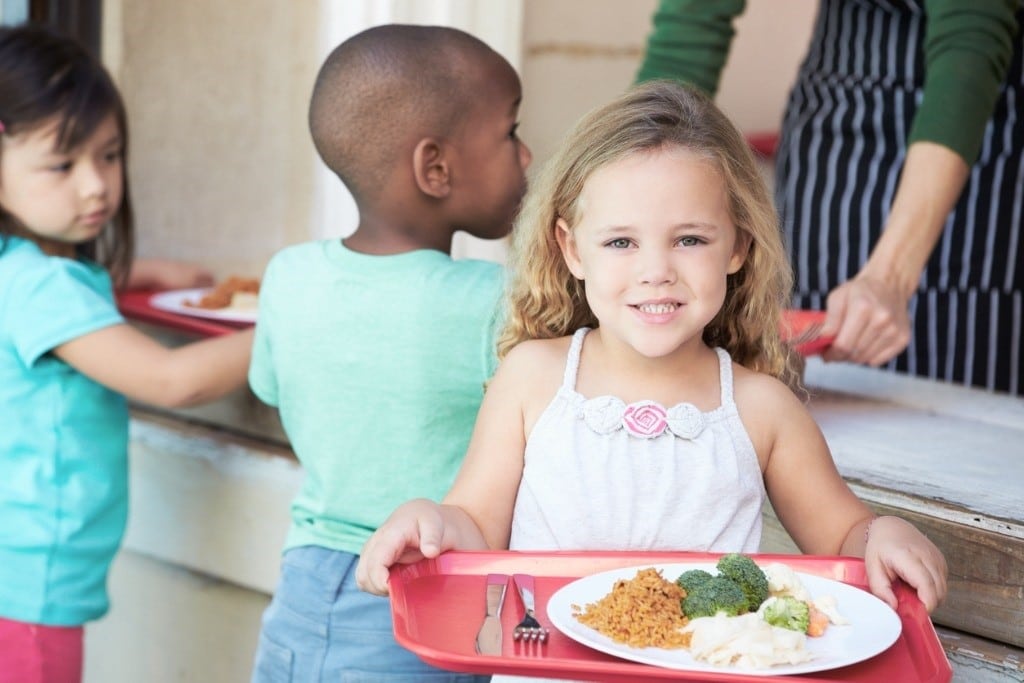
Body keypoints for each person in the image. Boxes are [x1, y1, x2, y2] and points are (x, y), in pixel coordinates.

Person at [356, 80, 947, 681]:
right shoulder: (533, 378)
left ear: (738, 247)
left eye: (690, 239)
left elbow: (843, 532)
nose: (656, 271)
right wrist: (427, 521)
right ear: (572, 250)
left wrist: (882, 533)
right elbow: (475, 526)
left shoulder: (761, 406)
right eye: (621, 242)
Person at [247, 24, 531, 682]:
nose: (526, 155)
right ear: (436, 167)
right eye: (510, 132)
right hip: (416, 592)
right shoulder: (495, 303)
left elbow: (271, 387)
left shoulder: (288, 276)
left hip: (300, 591)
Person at [0, 23, 254, 683]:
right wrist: (290, 323)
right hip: (28, 589)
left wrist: (141, 272)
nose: (95, 186)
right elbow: (170, 380)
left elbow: (65, 296)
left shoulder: (27, 267)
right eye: (62, 164)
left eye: (109, 155)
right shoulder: (42, 287)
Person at [636, 0, 1023, 395]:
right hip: (832, 122)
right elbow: (694, 19)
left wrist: (889, 277)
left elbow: (972, 35)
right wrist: (628, 179)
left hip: (970, 124)